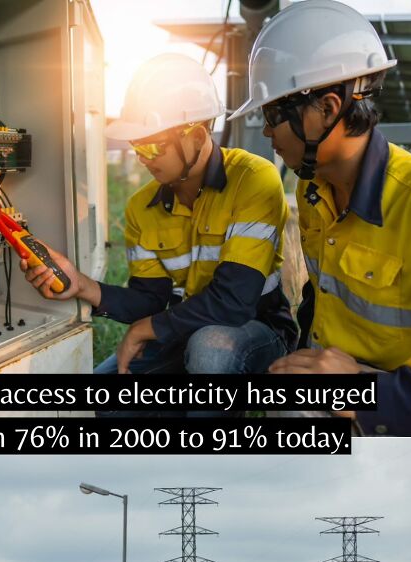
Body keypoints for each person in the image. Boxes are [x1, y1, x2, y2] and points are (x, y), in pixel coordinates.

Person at [229, 0, 411, 436]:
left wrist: (368, 397)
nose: (266, 131)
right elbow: (323, 297)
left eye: (272, 113)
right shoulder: (314, 188)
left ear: (328, 108)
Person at [22, 53, 297, 379]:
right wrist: (82, 285)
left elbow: (234, 303)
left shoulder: (253, 179)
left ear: (196, 137)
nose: (143, 159)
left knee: (210, 350)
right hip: (185, 328)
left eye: (153, 147)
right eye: (138, 146)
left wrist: (143, 330)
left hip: (256, 329)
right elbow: (150, 301)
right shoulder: (142, 208)